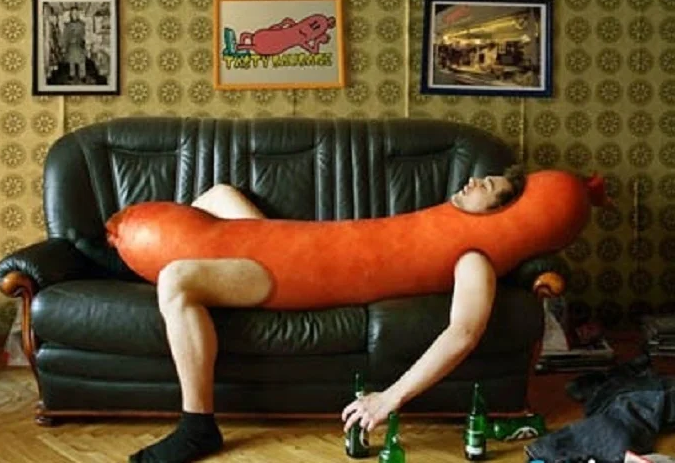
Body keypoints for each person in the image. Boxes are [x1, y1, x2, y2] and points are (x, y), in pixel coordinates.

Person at [128, 165, 527, 463]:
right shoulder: (439, 222)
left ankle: (197, 425)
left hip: (293, 279)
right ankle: (124, 260)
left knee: (176, 280)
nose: (474, 181)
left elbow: (463, 333)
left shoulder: (473, 256)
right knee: (219, 195)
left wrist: (389, 398)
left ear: (499, 214)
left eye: (488, 186)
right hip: (297, 247)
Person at [61, 6, 87, 83]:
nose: (74, 15)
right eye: (73, 13)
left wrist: (82, 40)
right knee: (71, 61)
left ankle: (82, 75)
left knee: (81, 61)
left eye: (76, 13)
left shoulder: (82, 24)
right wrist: (64, 46)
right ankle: (72, 74)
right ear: (71, 14)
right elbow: (65, 36)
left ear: (78, 14)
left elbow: (84, 34)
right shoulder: (67, 25)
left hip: (79, 45)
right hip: (71, 45)